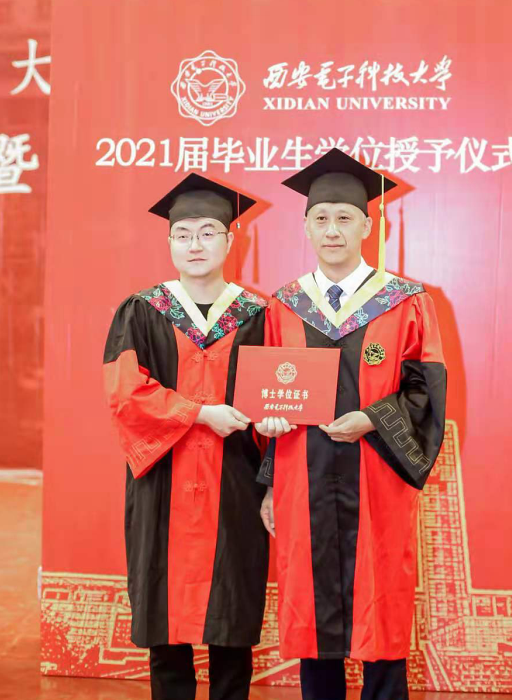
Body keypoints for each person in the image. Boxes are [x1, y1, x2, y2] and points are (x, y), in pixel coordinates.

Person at [257, 149, 447, 700]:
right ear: (306, 227)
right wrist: (269, 482)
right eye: (321, 218)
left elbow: (426, 393)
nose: (332, 230)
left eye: (345, 217)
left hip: (377, 477)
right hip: (302, 478)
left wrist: (372, 419)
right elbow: (270, 395)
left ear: (368, 225)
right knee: (311, 605)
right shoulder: (285, 305)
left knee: (380, 598)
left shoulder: (407, 303)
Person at [103, 173, 269, 700]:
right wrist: (198, 413)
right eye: (183, 234)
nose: (195, 244)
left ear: (231, 239)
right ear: (169, 240)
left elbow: (280, 397)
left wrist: (275, 438)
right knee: (166, 622)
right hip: (163, 484)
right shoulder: (141, 310)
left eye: (208, 232)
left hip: (236, 485)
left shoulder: (260, 316)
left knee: (232, 616)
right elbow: (125, 395)